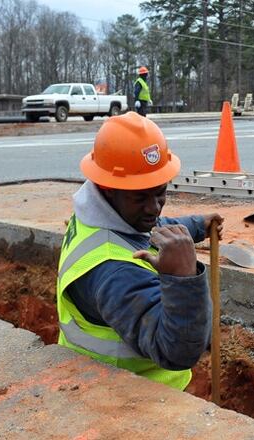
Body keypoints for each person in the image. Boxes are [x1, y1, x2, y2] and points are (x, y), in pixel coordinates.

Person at [57, 112, 223, 390]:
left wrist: (195, 225)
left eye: (160, 192)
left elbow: (140, 231)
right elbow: (178, 352)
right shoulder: (114, 273)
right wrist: (183, 279)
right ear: (109, 189)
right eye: (140, 197)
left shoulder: (96, 215)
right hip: (125, 397)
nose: (154, 207)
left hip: (102, 379)